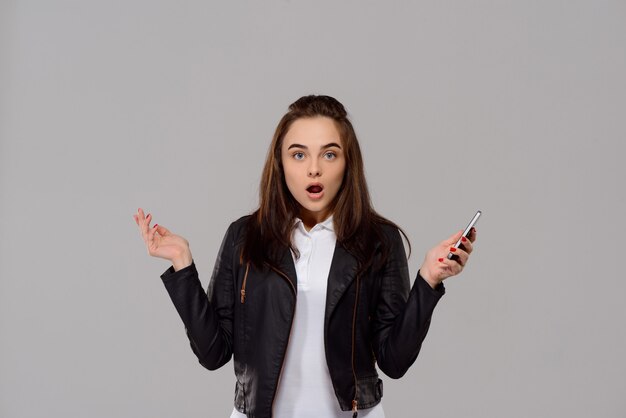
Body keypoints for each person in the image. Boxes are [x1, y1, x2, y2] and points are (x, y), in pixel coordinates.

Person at [133, 95, 477, 418]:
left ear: (347, 163)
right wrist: (181, 264)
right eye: (298, 154)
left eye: (329, 154)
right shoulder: (244, 237)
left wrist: (429, 280)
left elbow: (394, 360)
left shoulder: (378, 240)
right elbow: (213, 353)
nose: (314, 169)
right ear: (280, 163)